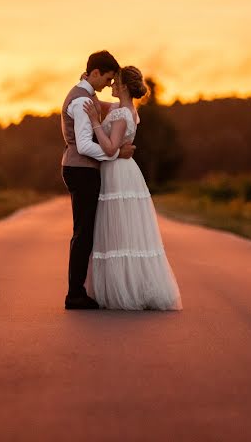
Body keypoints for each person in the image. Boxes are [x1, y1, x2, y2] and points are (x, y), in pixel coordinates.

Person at [82, 66, 182, 310]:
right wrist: (87, 85)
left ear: (124, 86)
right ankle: (132, 284)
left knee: (118, 228)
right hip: (127, 171)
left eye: (115, 82)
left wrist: (95, 123)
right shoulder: (128, 111)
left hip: (116, 170)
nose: (112, 85)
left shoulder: (120, 115)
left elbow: (110, 148)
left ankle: (126, 290)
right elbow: (102, 103)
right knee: (125, 229)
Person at [61, 51, 135, 310]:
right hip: (80, 169)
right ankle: (75, 294)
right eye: (107, 79)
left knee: (85, 232)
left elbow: (115, 108)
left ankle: (77, 291)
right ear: (94, 73)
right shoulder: (81, 101)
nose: (108, 85)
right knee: (83, 234)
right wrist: (113, 153)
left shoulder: (87, 94)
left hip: (82, 169)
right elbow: (83, 145)